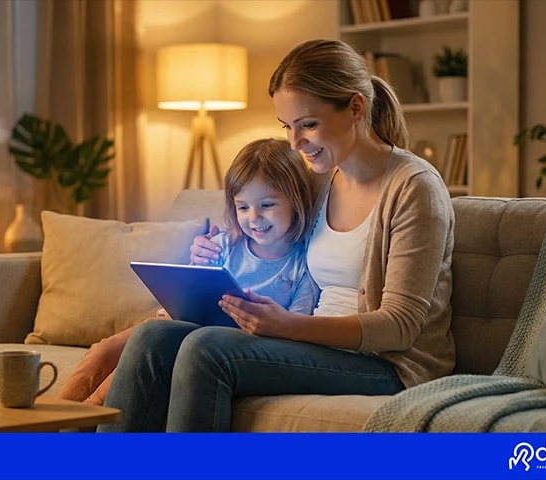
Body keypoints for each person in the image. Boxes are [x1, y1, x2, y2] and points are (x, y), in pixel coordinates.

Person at [98, 39, 455, 432]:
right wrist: (217, 247)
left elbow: (400, 325)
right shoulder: (321, 180)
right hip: (315, 345)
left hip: (386, 364)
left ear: (356, 108)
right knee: (155, 337)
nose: (295, 142)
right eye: (287, 127)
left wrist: (286, 325)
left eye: (308, 125)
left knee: (206, 350)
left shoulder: (414, 187)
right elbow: (265, 230)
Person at [57, 138, 318, 406]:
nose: (254, 218)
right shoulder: (224, 245)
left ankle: (76, 427)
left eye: (267, 205)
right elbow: (190, 291)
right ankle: (44, 424)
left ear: (295, 198)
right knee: (104, 350)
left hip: (211, 344)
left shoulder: (303, 264)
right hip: (174, 325)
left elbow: (294, 326)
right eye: (243, 207)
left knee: (125, 372)